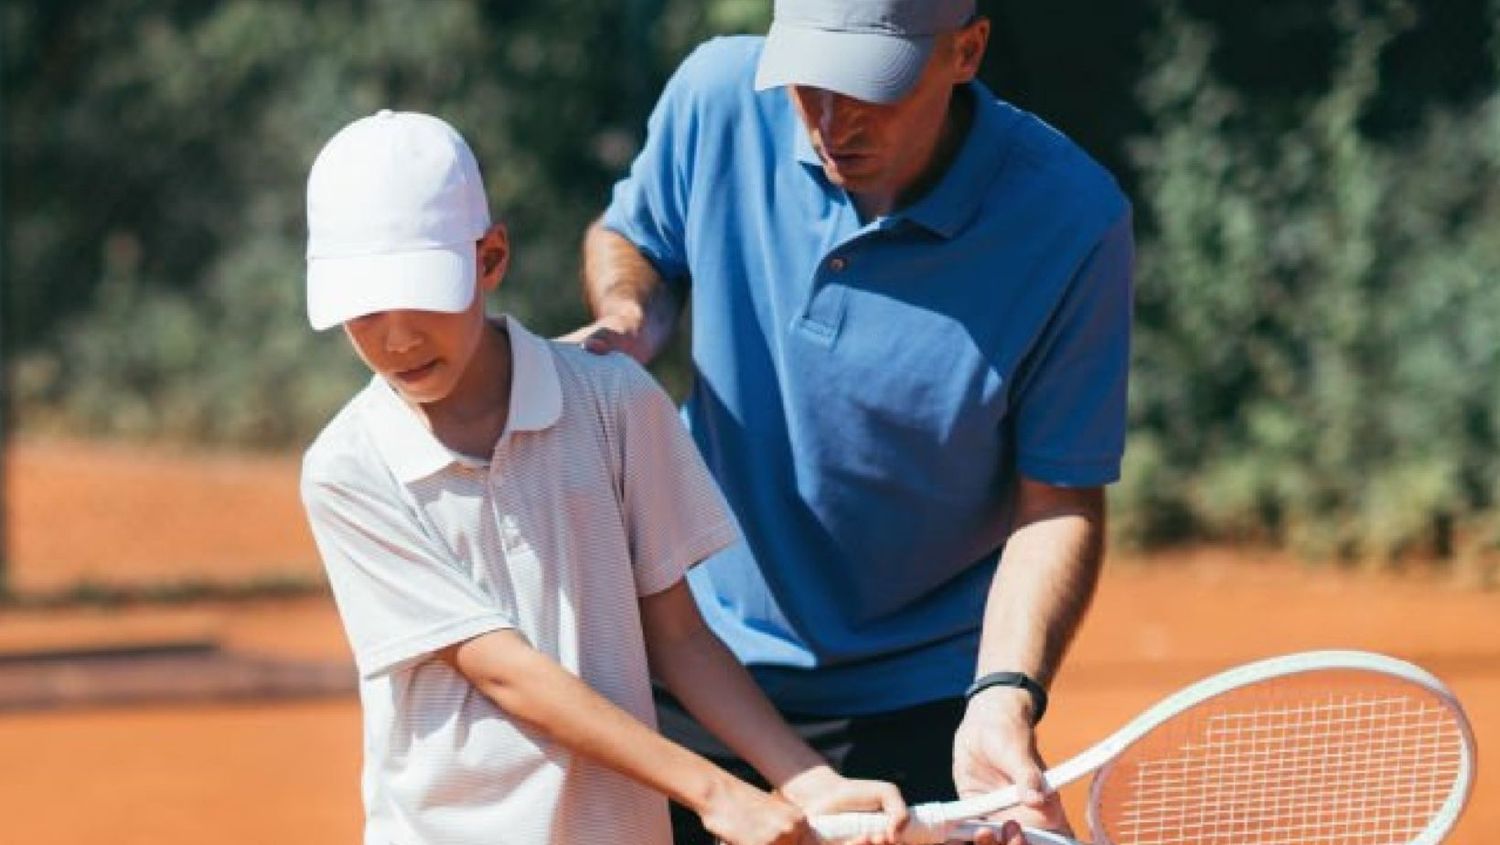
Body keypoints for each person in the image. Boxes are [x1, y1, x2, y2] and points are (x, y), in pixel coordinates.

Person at [569, 1, 1134, 843]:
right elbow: (633, 236)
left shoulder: (1074, 220)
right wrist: (631, 316)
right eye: (808, 83)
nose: (831, 123)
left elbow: (1056, 501)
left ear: (966, 51)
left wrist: (1004, 693)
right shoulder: (716, 96)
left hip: (922, 701)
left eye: (873, 88)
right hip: (695, 660)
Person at [298, 109, 908, 845]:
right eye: (361, 310)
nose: (395, 338)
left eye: (420, 294)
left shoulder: (611, 399)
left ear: (490, 258)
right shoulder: (347, 469)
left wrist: (811, 779)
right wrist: (718, 792)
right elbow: (505, 671)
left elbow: (678, 635)